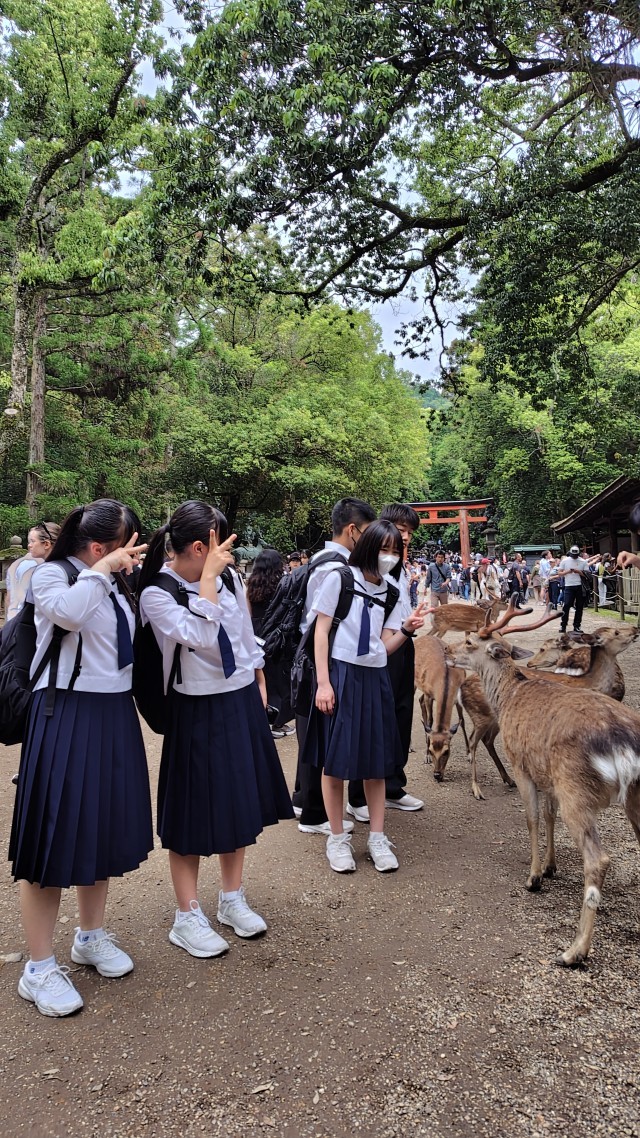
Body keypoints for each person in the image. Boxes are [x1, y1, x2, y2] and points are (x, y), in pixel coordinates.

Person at [9, 500, 152, 1018]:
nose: (135, 555)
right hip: (64, 712)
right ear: (99, 546)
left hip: (113, 713)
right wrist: (103, 570)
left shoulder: (115, 584)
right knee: (49, 841)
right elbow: (67, 615)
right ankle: (38, 967)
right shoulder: (52, 576)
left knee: (100, 828)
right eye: (129, 545)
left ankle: (89, 937)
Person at [138, 501, 294, 960]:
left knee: (238, 802)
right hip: (194, 706)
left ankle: (231, 898)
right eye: (221, 543)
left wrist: (258, 678)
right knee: (190, 812)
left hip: (238, 697)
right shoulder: (157, 592)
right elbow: (202, 636)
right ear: (199, 547)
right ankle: (186, 916)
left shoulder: (227, 579)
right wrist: (207, 580)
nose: (228, 552)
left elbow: (242, 633)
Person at [302, 521, 426, 874]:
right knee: (334, 761)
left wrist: (406, 630)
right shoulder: (340, 579)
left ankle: (377, 837)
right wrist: (323, 683)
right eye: (384, 549)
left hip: (374, 679)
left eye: (395, 551)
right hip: (340, 675)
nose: (390, 557)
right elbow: (320, 632)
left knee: (376, 762)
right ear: (368, 546)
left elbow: (383, 647)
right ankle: (337, 838)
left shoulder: (391, 591)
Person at [293, 497, 377, 835]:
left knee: (314, 736)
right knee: (322, 739)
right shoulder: (334, 568)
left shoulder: (320, 559)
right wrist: (327, 677)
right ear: (352, 530)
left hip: (315, 660)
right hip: (324, 661)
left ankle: (308, 805)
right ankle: (315, 815)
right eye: (368, 532)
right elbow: (320, 625)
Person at [348, 503, 425, 821]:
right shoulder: (371, 568)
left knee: (400, 715)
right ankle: (357, 796)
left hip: (403, 644)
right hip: (378, 650)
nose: (405, 537)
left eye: (409, 533)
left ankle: (393, 785)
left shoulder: (400, 568)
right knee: (372, 720)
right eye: (401, 530)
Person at [246, 549, 293, 738]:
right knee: (278, 678)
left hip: (256, 632)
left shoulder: (251, 583)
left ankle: (263, 720)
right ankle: (278, 722)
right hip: (275, 633)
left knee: (261, 676)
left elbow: (248, 612)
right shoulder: (282, 584)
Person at [5, 523, 61, 621]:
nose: (29, 545)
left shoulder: (43, 570)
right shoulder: (60, 566)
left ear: (46, 544)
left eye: (32, 541)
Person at [554, 544, 600, 633]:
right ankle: (563, 625)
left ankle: (577, 626)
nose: (574, 556)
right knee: (566, 605)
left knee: (579, 606)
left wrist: (578, 571)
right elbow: (559, 573)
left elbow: (588, 575)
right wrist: (568, 571)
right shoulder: (565, 561)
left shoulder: (583, 561)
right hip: (568, 585)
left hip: (580, 585)